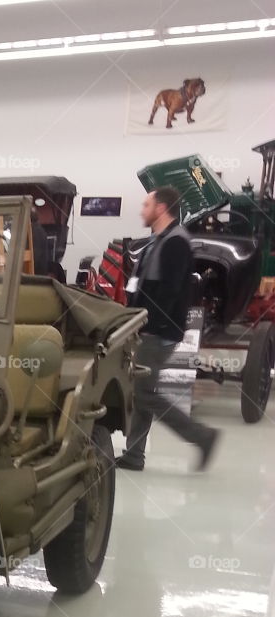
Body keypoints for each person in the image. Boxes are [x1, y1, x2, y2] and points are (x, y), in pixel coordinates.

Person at [117, 185, 219, 472]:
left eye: (146, 205)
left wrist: (149, 326)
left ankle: (202, 436)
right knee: (142, 391)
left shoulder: (175, 242)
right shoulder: (160, 240)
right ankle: (134, 455)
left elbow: (171, 292)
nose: (142, 210)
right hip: (148, 328)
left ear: (160, 208)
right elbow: (144, 286)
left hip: (158, 332)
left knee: (144, 393)